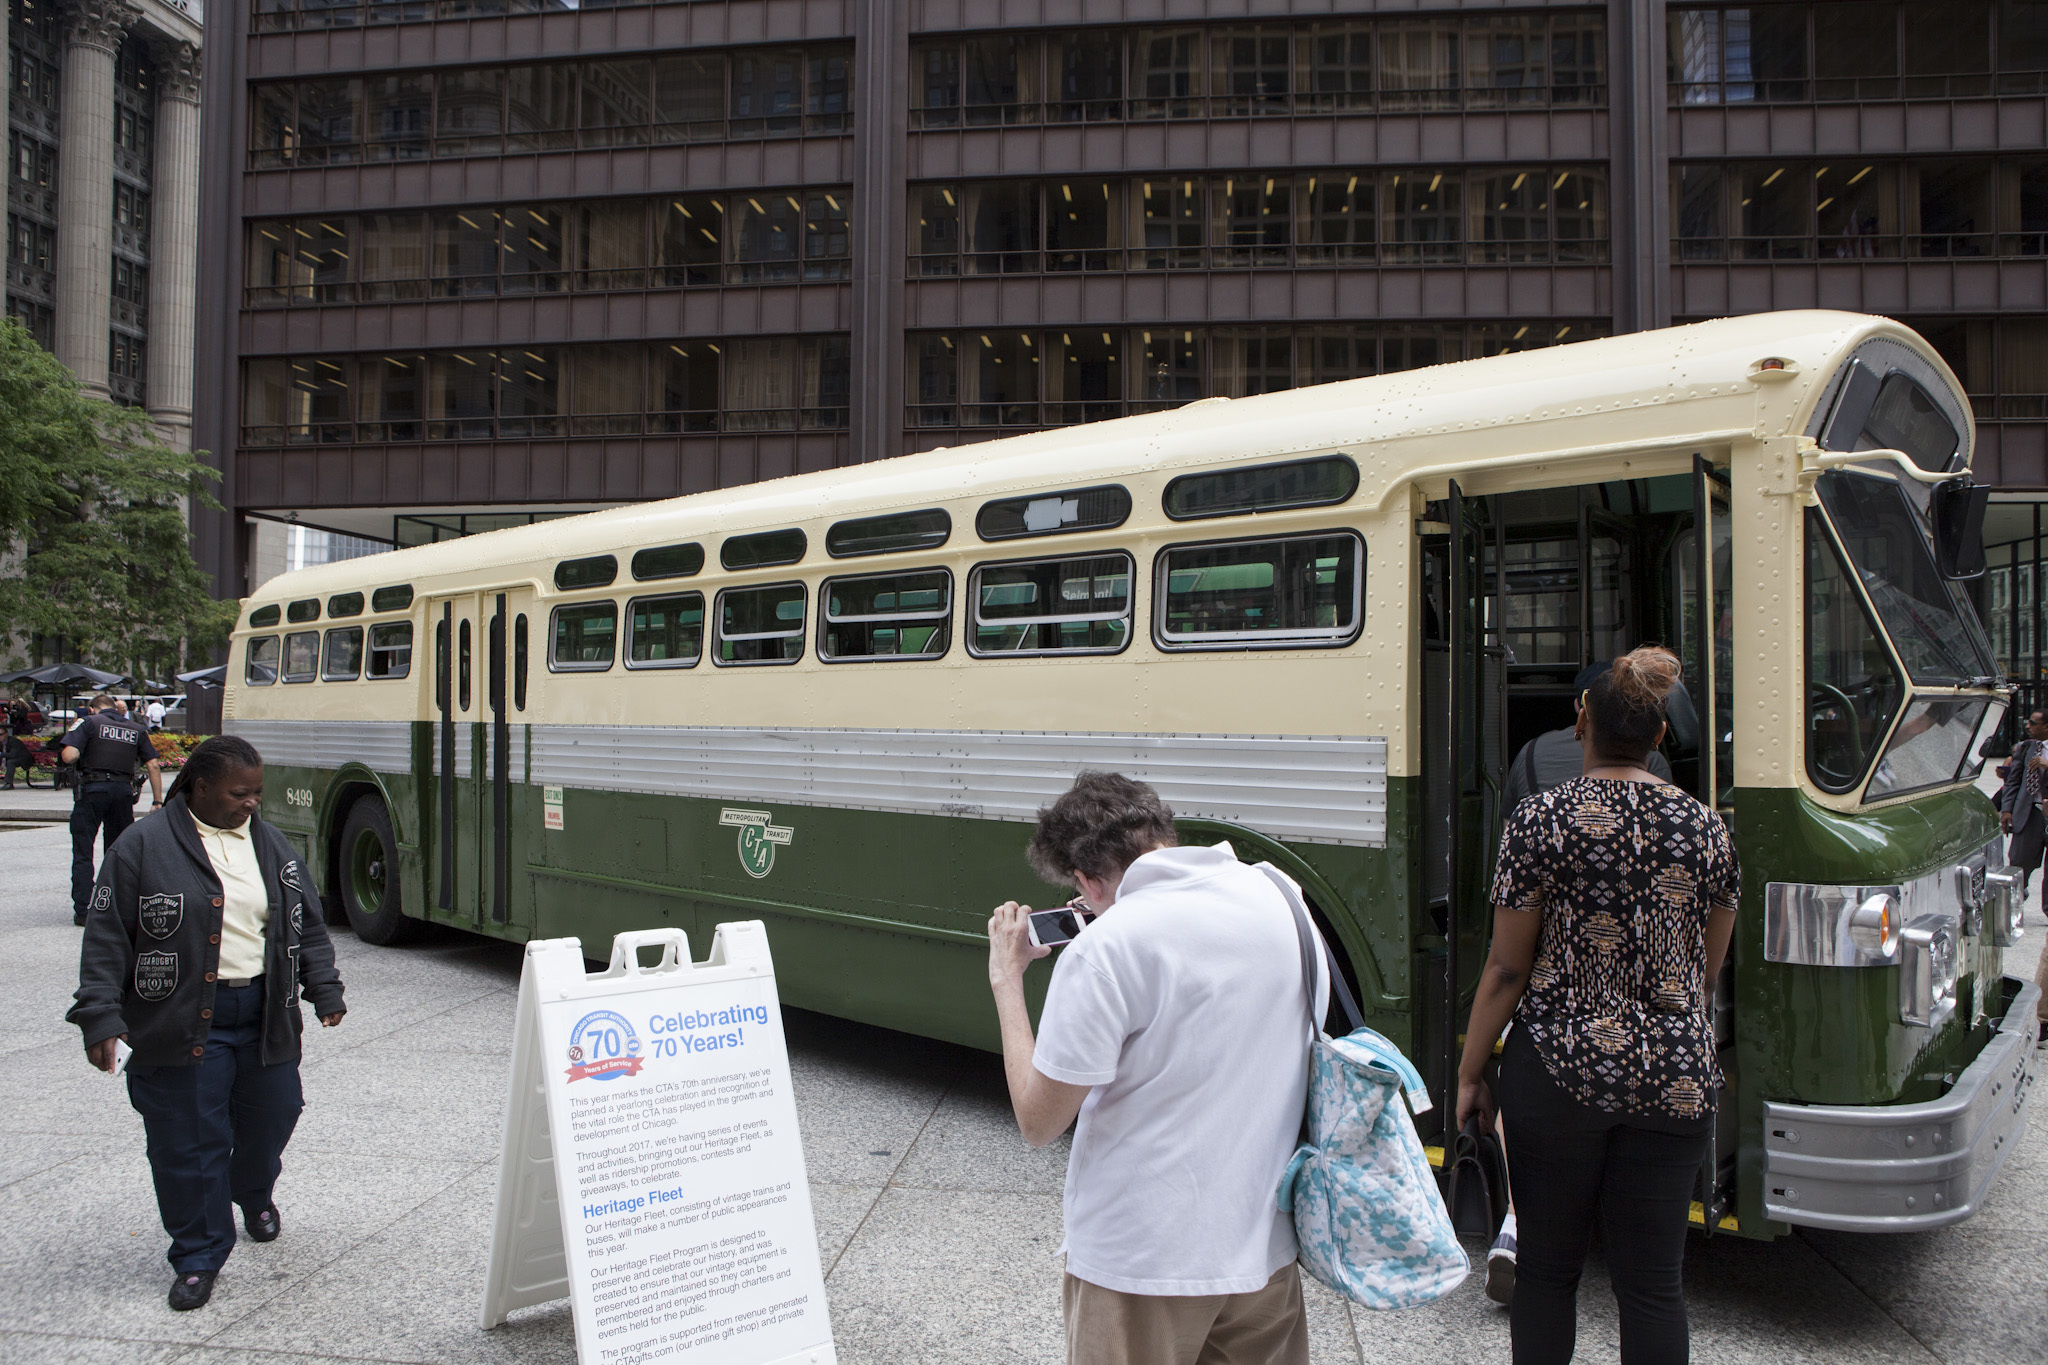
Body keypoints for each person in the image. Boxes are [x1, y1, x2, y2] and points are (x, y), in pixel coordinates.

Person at [1457, 648, 1739, 1365]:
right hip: (1675, 1077)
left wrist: (1469, 1071)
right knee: (1653, 1287)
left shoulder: (1538, 820)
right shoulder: (1707, 829)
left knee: (1548, 1274)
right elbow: (1703, 973)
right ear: (1659, 737)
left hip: (1556, 1072)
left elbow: (1506, 967)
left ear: (1580, 723)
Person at [986, 771, 1313, 1365]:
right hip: (1264, 1251)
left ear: (1087, 879)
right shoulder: (1281, 894)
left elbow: (1038, 1120)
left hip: (1141, 1264)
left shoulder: (1106, 948)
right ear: (1161, 830)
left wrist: (1007, 981)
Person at [68, 735, 347, 1312]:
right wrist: (100, 1016)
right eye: (238, 793)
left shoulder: (272, 847)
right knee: (190, 1139)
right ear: (198, 787)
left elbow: (308, 925)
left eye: (256, 793)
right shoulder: (141, 847)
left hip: (265, 1013)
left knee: (275, 1113)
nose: (251, 803)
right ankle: (198, 1253)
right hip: (178, 1020)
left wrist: (323, 989)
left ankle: (251, 1189)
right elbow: (106, 939)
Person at [1501, 661, 1673, 816]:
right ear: (1659, 734)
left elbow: (1507, 829)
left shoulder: (1530, 752)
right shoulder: (1691, 814)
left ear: (1581, 717)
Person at [62, 694, 163, 926]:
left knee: (83, 850)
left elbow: (69, 755)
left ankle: (84, 909)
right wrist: (158, 801)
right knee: (119, 852)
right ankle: (117, 906)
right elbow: (153, 764)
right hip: (122, 792)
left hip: (93, 791)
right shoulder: (136, 728)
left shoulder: (88, 722)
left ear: (92, 708)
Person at [1997, 710, 2048, 917]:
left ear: (2046, 726)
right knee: (2019, 861)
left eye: (2033, 723)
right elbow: (2013, 781)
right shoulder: (2026, 748)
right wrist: (2007, 809)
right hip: (2029, 815)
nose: (2028, 726)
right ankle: (2013, 901)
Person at [2, 695, 30, 790]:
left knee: (11, 762)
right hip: (14, 757)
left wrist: (1, 754)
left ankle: (8, 783)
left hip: (24, 759)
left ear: (6, 734)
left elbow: (12, 755)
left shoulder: (13, 742)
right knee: (10, 761)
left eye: (1, 734)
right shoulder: (2, 742)